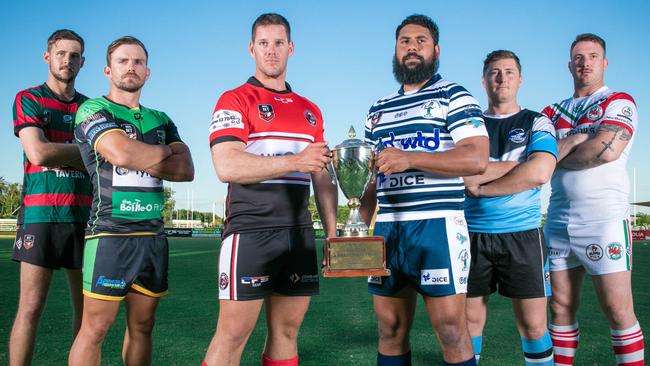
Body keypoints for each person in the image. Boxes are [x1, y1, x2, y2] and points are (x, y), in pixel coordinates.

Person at [203, 13, 337, 366]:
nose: (271, 51)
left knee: (287, 332)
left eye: (279, 43)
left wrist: (334, 233)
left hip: (299, 234)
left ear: (291, 48)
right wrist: (295, 161)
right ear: (252, 49)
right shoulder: (234, 99)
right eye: (264, 43)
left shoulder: (311, 111)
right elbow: (227, 165)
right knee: (232, 336)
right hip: (250, 231)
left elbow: (321, 174)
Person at [360, 14, 489, 366]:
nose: (412, 47)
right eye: (405, 41)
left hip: (438, 226)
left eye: (421, 41)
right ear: (395, 49)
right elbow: (370, 178)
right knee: (390, 327)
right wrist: (355, 226)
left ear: (436, 49)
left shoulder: (453, 95)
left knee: (450, 329)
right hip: (387, 229)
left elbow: (476, 158)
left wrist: (410, 158)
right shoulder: (378, 109)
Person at [67, 36, 194, 366]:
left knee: (143, 326)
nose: (131, 67)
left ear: (147, 72)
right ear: (108, 70)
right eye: (123, 61)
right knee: (95, 328)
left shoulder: (162, 119)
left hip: (152, 237)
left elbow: (186, 170)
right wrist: (165, 151)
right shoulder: (93, 109)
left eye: (138, 62)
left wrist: (142, 154)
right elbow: (121, 152)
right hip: (110, 234)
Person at [542, 33, 644, 366]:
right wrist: (575, 143)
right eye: (579, 57)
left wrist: (553, 156)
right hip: (557, 220)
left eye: (593, 56)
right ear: (569, 63)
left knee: (617, 309)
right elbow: (533, 161)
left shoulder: (619, 100)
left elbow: (606, 150)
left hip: (604, 220)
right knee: (559, 308)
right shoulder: (549, 112)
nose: (585, 63)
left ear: (605, 62)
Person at [463, 50, 557, 365]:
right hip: (472, 235)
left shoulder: (536, 121)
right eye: (494, 72)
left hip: (523, 236)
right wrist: (516, 165)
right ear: (484, 79)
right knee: (468, 324)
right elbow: (462, 173)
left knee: (533, 326)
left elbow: (539, 172)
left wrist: (481, 186)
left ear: (520, 79)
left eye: (509, 72)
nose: (502, 78)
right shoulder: (467, 125)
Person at [9, 29, 91, 366]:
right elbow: (38, 152)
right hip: (40, 218)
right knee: (30, 308)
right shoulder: (28, 98)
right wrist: (86, 150)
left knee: (86, 313)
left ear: (83, 62)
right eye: (61, 53)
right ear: (48, 56)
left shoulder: (92, 108)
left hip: (85, 219)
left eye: (74, 56)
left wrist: (74, 153)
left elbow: (108, 158)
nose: (67, 60)